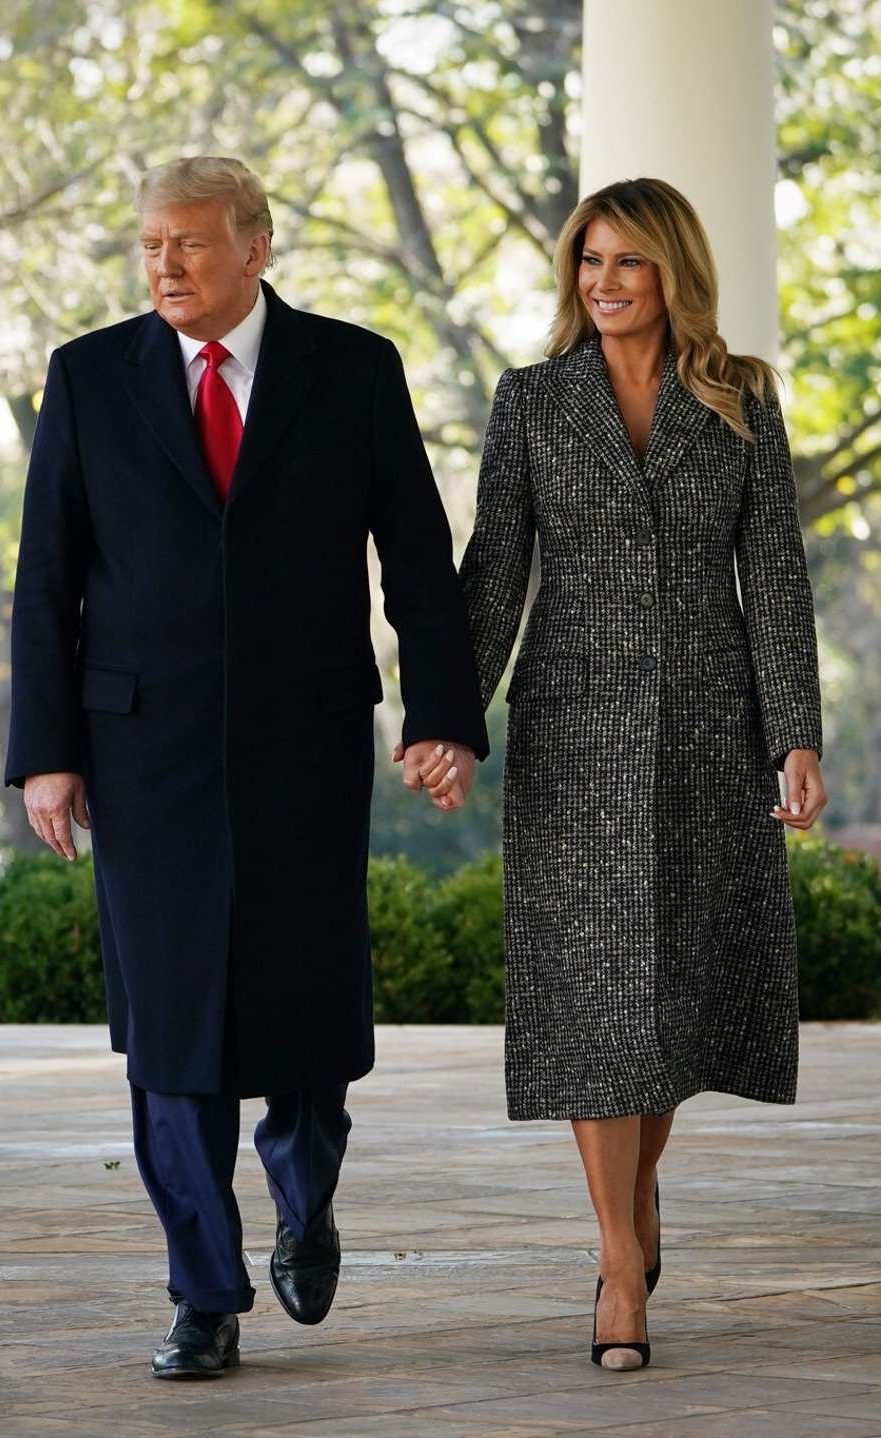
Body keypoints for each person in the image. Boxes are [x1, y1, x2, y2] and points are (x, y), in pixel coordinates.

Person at [5, 155, 487, 1378]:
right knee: (169, 1031)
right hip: (142, 751)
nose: (164, 264)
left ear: (256, 246)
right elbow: (45, 578)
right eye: (152, 244)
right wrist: (46, 754)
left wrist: (443, 715)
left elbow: (419, 565)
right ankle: (203, 1293)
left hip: (306, 744)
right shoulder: (88, 376)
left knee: (308, 1013)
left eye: (191, 244)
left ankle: (304, 1189)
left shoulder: (355, 369)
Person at [444, 177, 826, 1371]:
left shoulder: (739, 398)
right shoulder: (532, 403)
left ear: (672, 274)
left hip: (713, 730)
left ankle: (634, 1199)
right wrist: (450, 718)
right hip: (572, 735)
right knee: (594, 997)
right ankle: (620, 1257)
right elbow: (493, 570)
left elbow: (774, 576)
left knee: (680, 988)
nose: (603, 284)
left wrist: (795, 734)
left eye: (628, 264)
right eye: (588, 262)